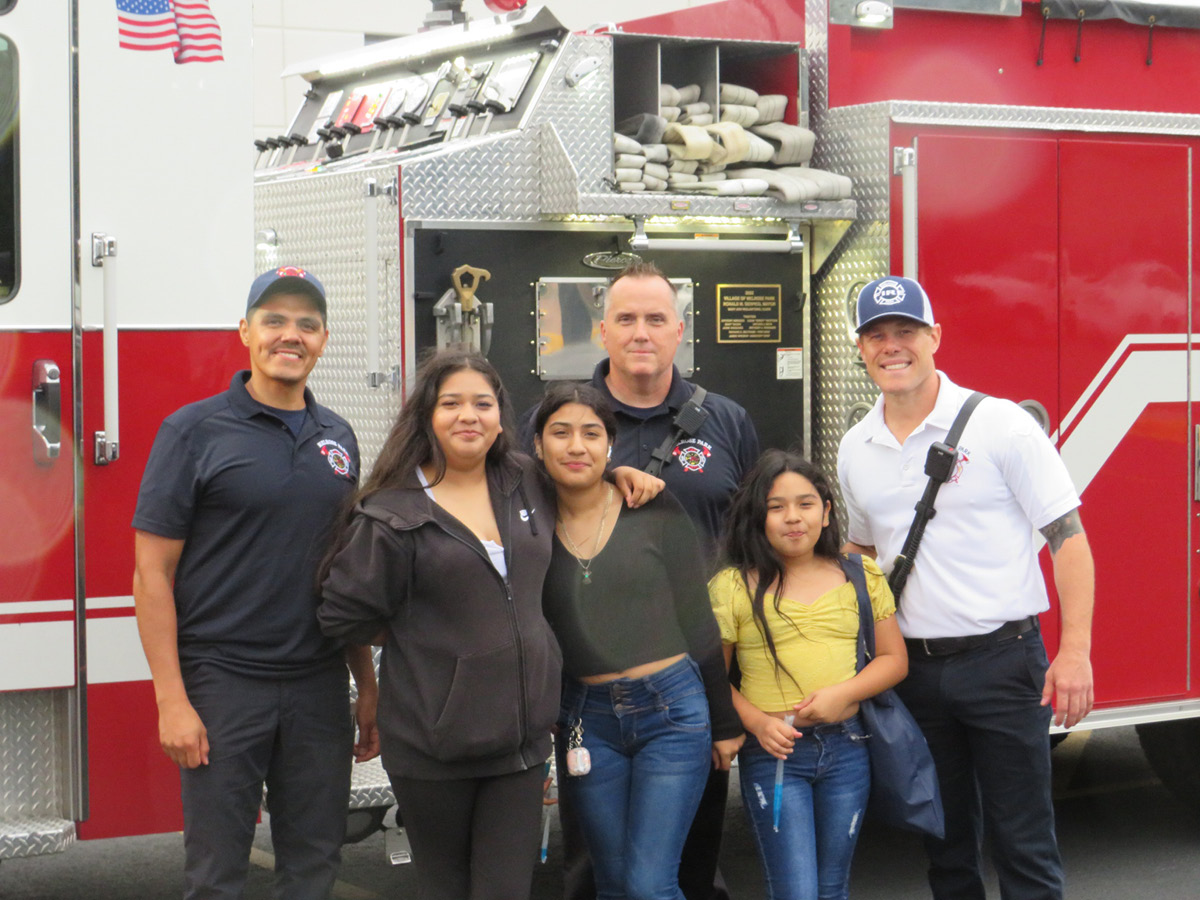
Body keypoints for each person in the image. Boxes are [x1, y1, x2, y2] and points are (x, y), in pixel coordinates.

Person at [316, 351, 661, 900]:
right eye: (451, 403)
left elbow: (579, 474)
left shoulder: (524, 479)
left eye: (483, 403)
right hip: (433, 745)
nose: (468, 415)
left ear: (501, 416)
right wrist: (419, 630)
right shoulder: (391, 512)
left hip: (521, 744)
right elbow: (341, 615)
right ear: (428, 414)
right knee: (447, 889)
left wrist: (619, 471)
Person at [836, 276, 1095, 900]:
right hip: (916, 674)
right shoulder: (855, 446)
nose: (891, 346)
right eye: (877, 335)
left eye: (905, 332)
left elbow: (1069, 539)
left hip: (1004, 664)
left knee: (1023, 845)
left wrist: (1075, 651)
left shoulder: (1002, 426)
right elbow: (862, 553)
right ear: (863, 349)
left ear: (935, 339)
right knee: (945, 848)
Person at [131, 266, 380, 900]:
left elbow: (344, 571)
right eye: (274, 321)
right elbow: (151, 573)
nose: (289, 335)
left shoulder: (338, 439)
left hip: (318, 686)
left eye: (306, 323)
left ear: (323, 338)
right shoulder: (193, 432)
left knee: (312, 870)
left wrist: (367, 683)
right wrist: (172, 700)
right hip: (223, 684)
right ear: (245, 332)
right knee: (217, 877)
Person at [521, 259, 759, 900]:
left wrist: (732, 697)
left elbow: (755, 545)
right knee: (597, 872)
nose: (641, 332)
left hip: (697, 670)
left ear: (680, 331)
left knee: (690, 861)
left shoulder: (727, 422)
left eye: (656, 318)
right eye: (626, 318)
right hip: (586, 694)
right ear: (602, 332)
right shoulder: (562, 426)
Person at [710, 450, 906, 900]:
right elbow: (713, 679)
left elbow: (894, 659)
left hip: (849, 748)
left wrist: (845, 693)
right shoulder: (733, 587)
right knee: (796, 891)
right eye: (776, 507)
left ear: (827, 511)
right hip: (775, 754)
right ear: (756, 517)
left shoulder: (860, 575)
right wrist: (758, 723)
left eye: (805, 504)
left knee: (832, 888)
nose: (792, 518)